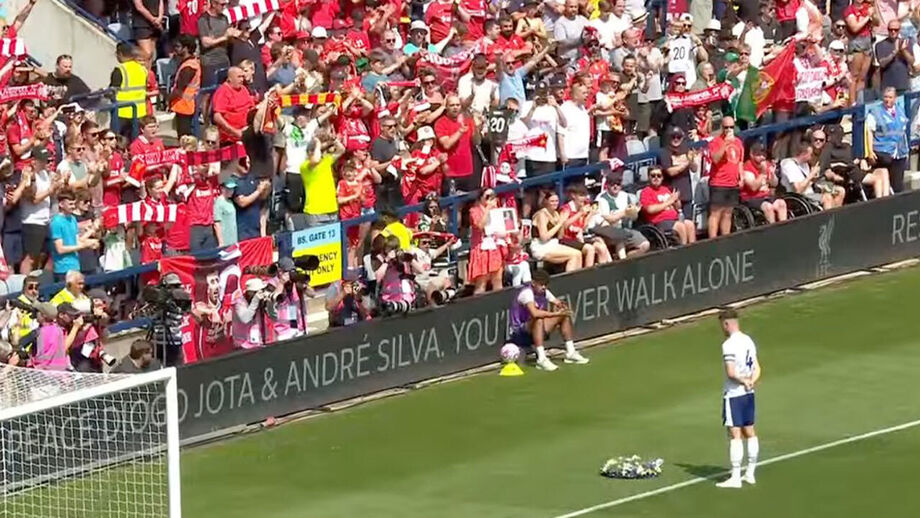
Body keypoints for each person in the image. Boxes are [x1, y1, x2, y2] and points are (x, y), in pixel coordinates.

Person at [714, 308, 761, 489]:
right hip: (749, 393)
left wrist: (742, 381)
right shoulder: (748, 340)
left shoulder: (729, 345)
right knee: (749, 430)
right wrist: (750, 381)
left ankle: (735, 476)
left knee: (734, 434)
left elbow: (731, 372)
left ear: (726, 324)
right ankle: (750, 473)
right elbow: (757, 368)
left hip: (734, 394)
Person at [507, 268, 588, 372]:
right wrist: (554, 313)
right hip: (519, 333)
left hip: (537, 329)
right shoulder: (527, 293)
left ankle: (571, 352)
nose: (544, 287)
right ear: (533, 283)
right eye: (541, 284)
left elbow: (557, 302)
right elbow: (535, 313)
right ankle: (541, 359)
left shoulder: (544, 292)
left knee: (564, 315)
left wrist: (562, 307)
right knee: (538, 318)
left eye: (545, 284)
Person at [592, 171, 650, 259]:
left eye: (618, 184)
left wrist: (634, 212)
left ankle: (627, 260)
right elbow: (609, 220)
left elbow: (634, 218)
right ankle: (622, 261)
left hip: (625, 230)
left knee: (645, 245)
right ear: (607, 185)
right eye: (612, 184)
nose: (615, 186)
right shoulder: (600, 198)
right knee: (619, 236)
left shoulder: (625, 196)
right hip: (607, 232)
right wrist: (625, 213)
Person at [639, 166, 696, 245]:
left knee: (690, 224)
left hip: (674, 219)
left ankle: (693, 249)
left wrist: (676, 201)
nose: (656, 178)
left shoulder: (665, 189)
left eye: (659, 176)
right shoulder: (646, 192)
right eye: (653, 175)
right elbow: (649, 209)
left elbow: (678, 208)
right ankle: (684, 250)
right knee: (680, 226)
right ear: (649, 177)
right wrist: (669, 202)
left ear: (662, 178)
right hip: (659, 222)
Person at [867, 87, 909, 193]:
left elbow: (903, 131)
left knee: (898, 185)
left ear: (895, 98)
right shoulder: (876, 112)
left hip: (899, 151)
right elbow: (869, 132)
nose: (887, 100)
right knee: (887, 180)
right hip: (882, 151)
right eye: (885, 97)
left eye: (890, 97)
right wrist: (870, 152)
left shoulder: (900, 110)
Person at [50, 193, 99, 283]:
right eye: (70, 204)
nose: (73, 207)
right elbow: (60, 249)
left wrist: (89, 243)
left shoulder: (72, 219)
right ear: (61, 204)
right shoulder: (56, 222)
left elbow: (77, 241)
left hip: (76, 266)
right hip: (63, 269)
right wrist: (83, 246)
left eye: (73, 204)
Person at [109, 42, 149, 138]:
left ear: (120, 54)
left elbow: (112, 91)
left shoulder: (119, 70)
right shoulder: (143, 69)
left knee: (119, 142)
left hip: (122, 113)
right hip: (140, 113)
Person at [741, 142, 788, 224]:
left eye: (763, 154)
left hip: (767, 196)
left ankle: (784, 227)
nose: (762, 157)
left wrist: (772, 174)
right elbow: (753, 187)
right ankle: (772, 230)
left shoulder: (767, 164)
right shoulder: (747, 167)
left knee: (781, 203)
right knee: (768, 207)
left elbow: (774, 184)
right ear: (752, 154)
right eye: (758, 155)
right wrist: (762, 173)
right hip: (752, 198)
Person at [168, 35, 201, 137]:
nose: (175, 49)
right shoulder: (192, 62)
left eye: (178, 47)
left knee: (184, 137)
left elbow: (179, 89)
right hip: (186, 104)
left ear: (186, 48)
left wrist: (168, 99)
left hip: (184, 105)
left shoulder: (188, 67)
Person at [211, 67, 255, 143]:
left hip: (247, 131)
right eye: (239, 77)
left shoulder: (243, 89)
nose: (241, 79)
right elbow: (217, 117)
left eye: (242, 77)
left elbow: (251, 108)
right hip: (231, 137)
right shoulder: (223, 92)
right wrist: (235, 132)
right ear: (230, 79)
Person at [232, 277, 273, 349]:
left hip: (260, 342)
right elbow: (246, 318)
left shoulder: (260, 301)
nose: (262, 293)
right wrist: (255, 300)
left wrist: (268, 303)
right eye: (260, 291)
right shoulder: (239, 302)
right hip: (244, 346)